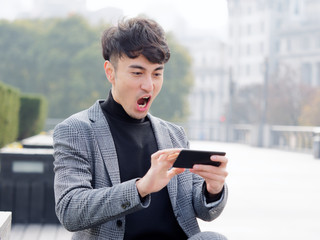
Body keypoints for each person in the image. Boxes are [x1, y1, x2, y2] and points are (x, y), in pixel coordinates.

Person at [53, 17, 228, 240]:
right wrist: (141, 188)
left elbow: (204, 210)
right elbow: (70, 210)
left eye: (157, 73)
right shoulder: (76, 130)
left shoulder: (174, 134)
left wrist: (213, 188)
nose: (149, 85)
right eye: (137, 73)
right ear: (110, 72)